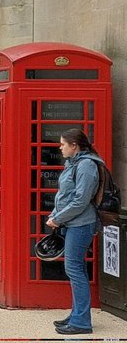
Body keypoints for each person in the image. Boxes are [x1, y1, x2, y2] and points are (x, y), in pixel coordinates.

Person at [48, 128, 104, 336]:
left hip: (82, 223)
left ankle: (81, 321)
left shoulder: (87, 165)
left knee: (75, 269)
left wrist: (58, 218)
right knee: (74, 269)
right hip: (71, 222)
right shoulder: (73, 163)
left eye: (63, 144)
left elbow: (81, 199)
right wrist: (55, 214)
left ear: (75, 145)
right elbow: (65, 194)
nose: (60, 147)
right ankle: (76, 314)